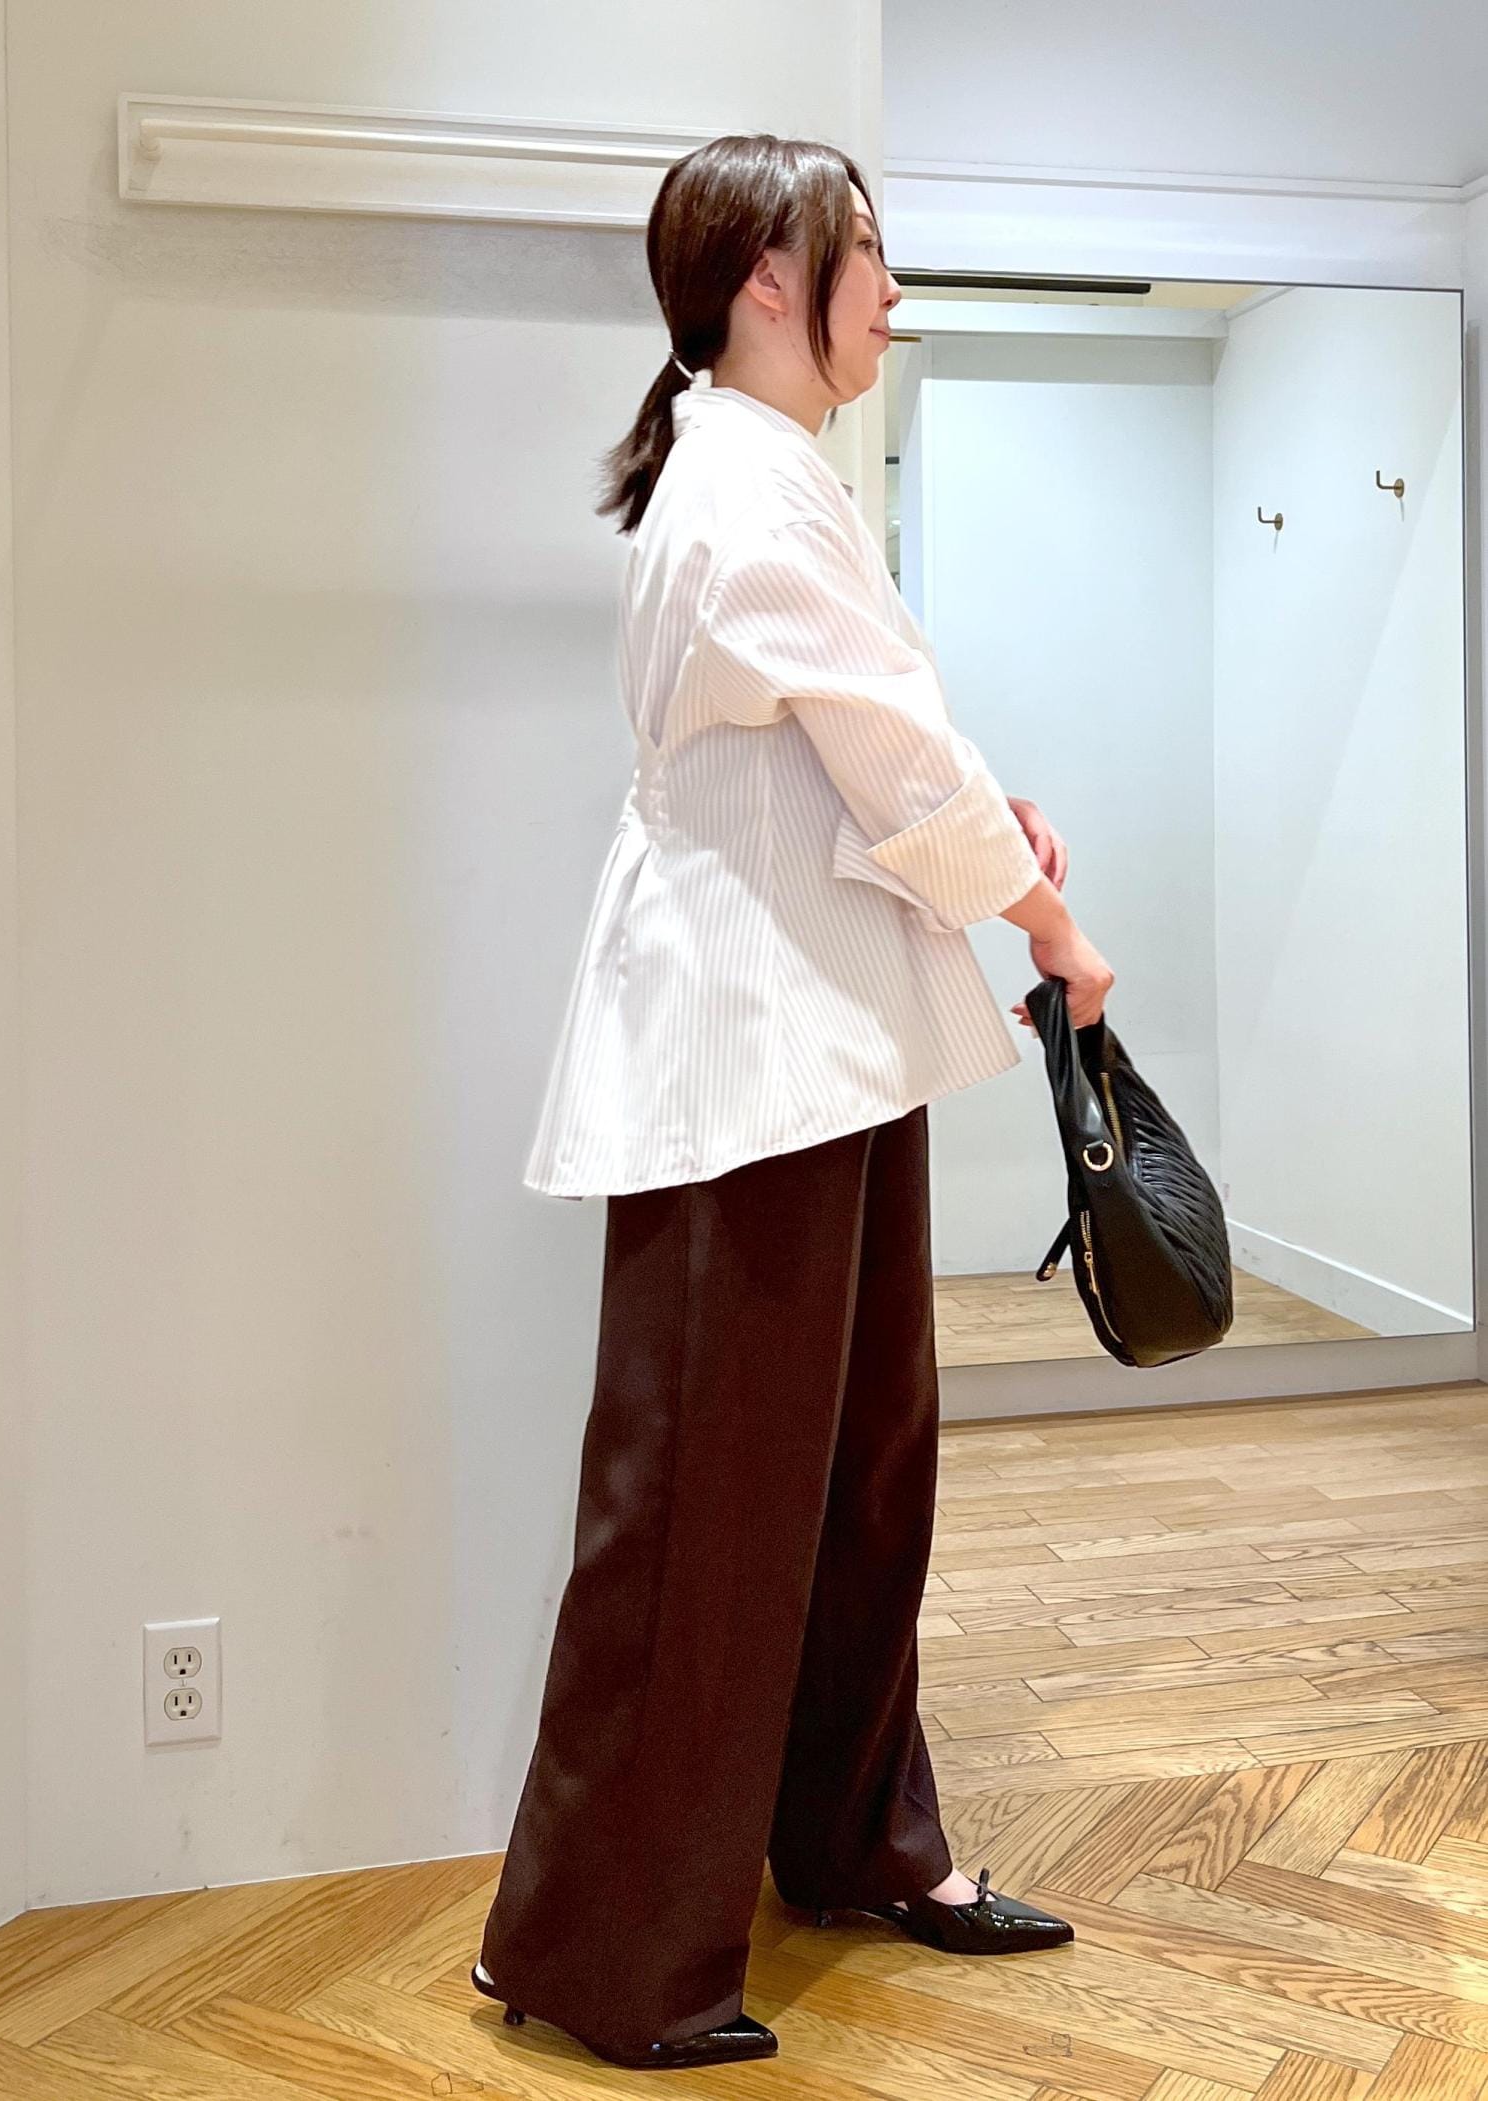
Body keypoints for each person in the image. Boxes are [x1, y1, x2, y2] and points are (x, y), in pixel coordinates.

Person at [472, 131, 1115, 2073]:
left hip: (822, 1046)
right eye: (869, 258)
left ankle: (853, 1845)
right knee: (703, 1505)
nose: (893, 297)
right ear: (771, 278)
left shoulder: (765, 468)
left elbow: (867, 751)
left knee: (852, 1475)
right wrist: (1051, 923)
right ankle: (599, 1951)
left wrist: (992, 829)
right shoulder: (745, 486)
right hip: (745, 1061)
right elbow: (890, 756)